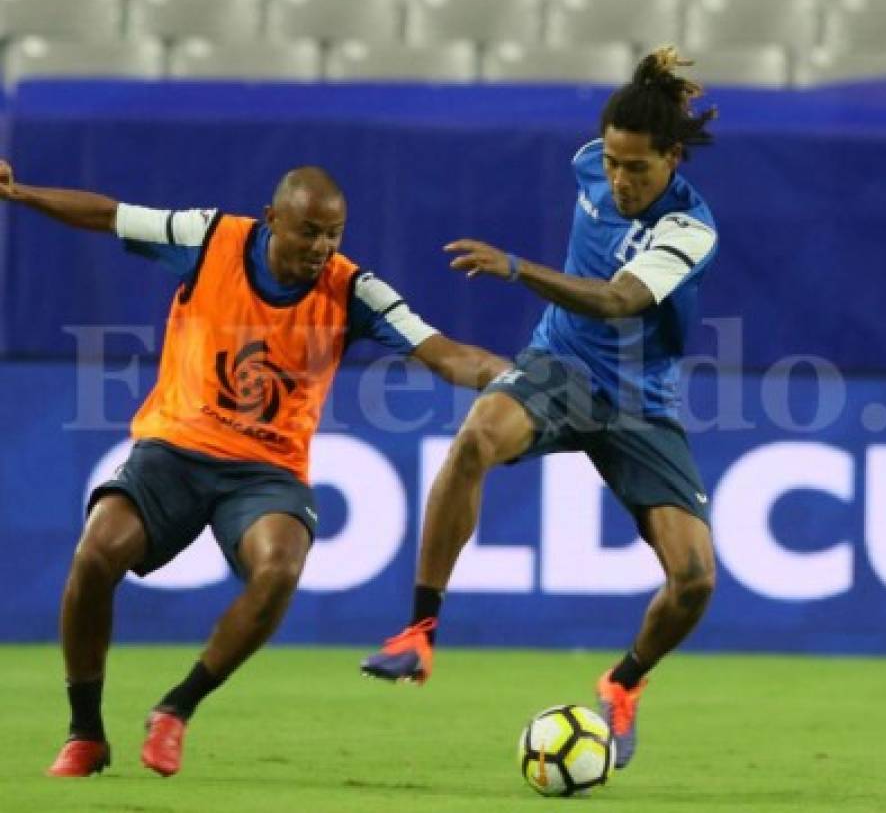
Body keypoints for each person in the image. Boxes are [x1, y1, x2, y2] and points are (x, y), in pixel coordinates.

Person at [0, 163, 510, 778]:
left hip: (266, 473)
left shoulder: (354, 291)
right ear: (272, 220)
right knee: (93, 555)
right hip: (173, 451)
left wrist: (523, 379)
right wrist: (18, 193)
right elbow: (108, 215)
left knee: (280, 568)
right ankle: (86, 732)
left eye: (334, 235)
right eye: (308, 232)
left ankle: (176, 709)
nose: (322, 248)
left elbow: (445, 352)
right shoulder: (208, 238)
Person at [361, 47, 720, 769]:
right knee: (473, 441)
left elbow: (620, 299)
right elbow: (610, 161)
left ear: (674, 158)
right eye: (614, 163)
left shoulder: (690, 229)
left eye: (638, 168)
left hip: (639, 401)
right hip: (561, 367)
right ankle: (417, 632)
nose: (619, 179)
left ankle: (621, 684)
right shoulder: (590, 158)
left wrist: (518, 269)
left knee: (693, 579)